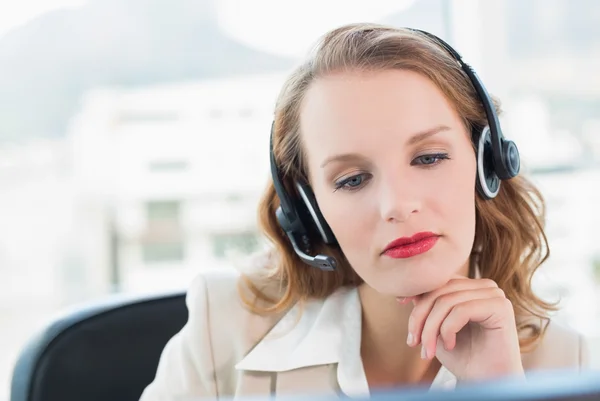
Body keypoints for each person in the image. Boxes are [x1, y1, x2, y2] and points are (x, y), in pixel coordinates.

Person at [139, 23, 589, 400]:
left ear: (486, 162)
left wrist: (497, 392)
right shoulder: (223, 330)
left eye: (428, 158)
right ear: (309, 209)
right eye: (352, 180)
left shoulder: (571, 365)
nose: (397, 205)